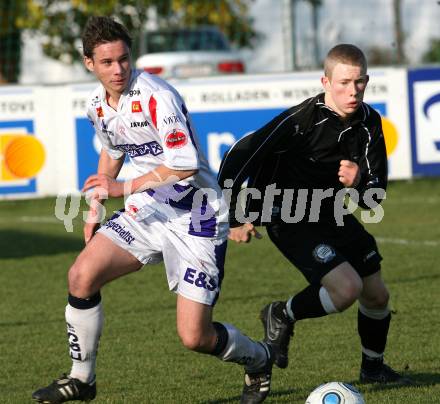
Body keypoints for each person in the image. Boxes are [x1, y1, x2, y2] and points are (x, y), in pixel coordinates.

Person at [32, 16, 272, 404]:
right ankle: (81, 379)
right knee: (81, 275)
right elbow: (112, 152)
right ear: (88, 63)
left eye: (124, 59)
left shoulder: (156, 95)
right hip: (148, 210)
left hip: (198, 216)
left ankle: (259, 358)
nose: (118, 69)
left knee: (195, 336)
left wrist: (121, 187)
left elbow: (185, 164)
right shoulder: (97, 105)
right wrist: (97, 203)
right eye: (107, 62)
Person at [218, 44, 411, 385]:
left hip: (331, 211)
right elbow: (238, 155)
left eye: (360, 82)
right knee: (346, 289)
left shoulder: (370, 123)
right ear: (325, 81)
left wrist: (359, 181)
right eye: (344, 83)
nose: (353, 91)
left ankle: (373, 368)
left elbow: (373, 198)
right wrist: (234, 217)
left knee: (377, 294)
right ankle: (281, 313)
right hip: (288, 215)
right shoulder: (300, 121)